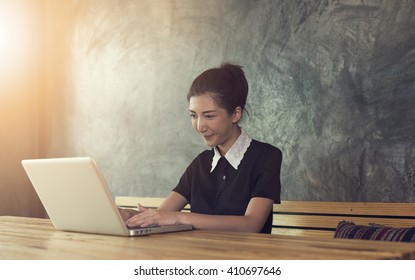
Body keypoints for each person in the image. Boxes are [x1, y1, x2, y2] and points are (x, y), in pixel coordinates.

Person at [120, 63, 282, 233]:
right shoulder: (201, 164)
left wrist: (180, 217)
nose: (199, 126)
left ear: (235, 114)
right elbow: (164, 214)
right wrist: (127, 215)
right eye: (193, 115)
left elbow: (251, 225)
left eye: (209, 116)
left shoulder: (266, 157)